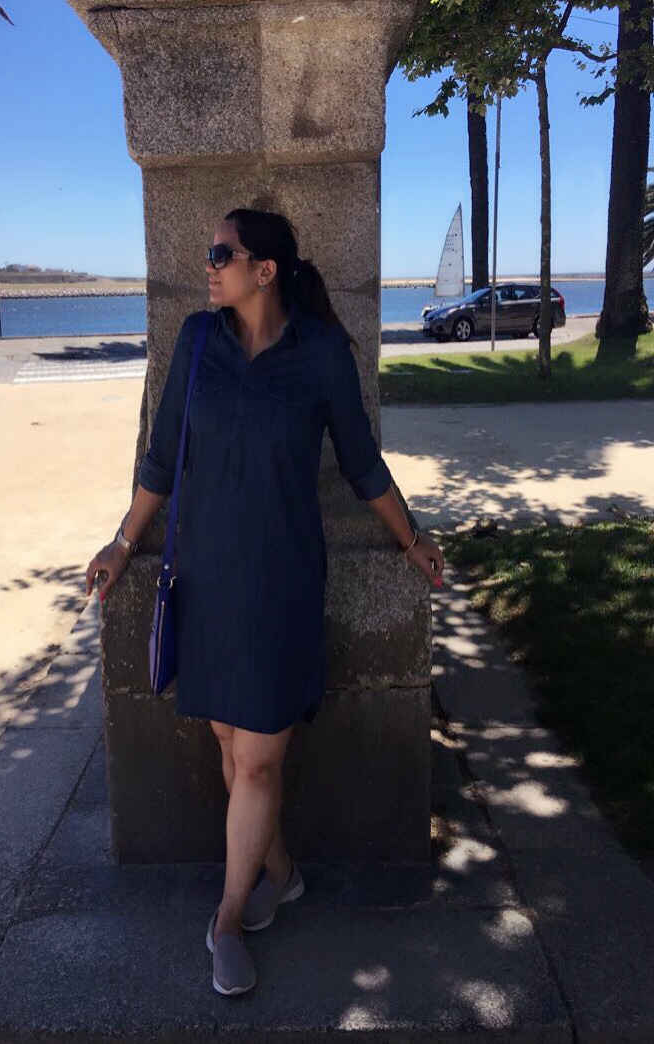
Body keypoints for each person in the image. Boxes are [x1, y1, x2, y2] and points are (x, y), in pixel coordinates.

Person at [85, 207, 444, 996]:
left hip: (281, 579)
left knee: (255, 759)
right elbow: (162, 456)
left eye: (222, 253)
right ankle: (280, 871)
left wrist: (411, 540)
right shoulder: (196, 340)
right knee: (229, 740)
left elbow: (362, 463)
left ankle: (224, 921)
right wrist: (122, 542)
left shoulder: (321, 353)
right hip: (208, 575)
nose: (208, 266)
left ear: (266, 270)